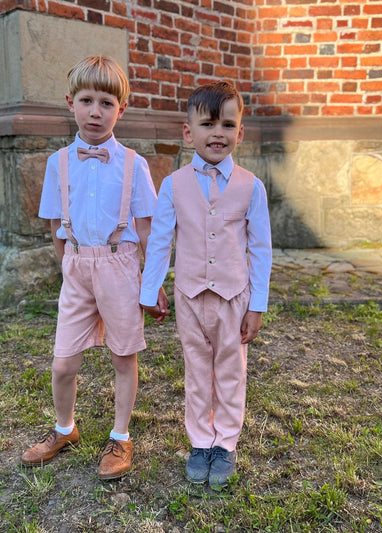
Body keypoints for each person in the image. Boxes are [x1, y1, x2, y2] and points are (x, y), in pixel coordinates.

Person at [21, 56, 167, 480]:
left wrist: (152, 283)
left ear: (121, 108)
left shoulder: (133, 164)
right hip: (77, 266)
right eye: (87, 100)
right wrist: (72, 265)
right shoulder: (58, 163)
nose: (96, 111)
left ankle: (120, 436)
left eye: (106, 102)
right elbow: (55, 226)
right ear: (71, 103)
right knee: (63, 362)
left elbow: (148, 231)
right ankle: (65, 428)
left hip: (120, 266)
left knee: (124, 356)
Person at [140, 80, 272, 490]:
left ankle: (226, 443)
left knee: (230, 371)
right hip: (191, 296)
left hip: (234, 296)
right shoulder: (174, 185)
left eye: (227, 125)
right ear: (188, 132)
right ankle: (200, 441)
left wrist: (258, 305)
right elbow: (161, 240)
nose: (218, 133)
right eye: (208, 124)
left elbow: (261, 249)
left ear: (240, 133)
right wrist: (150, 291)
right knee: (198, 370)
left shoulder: (252, 186)